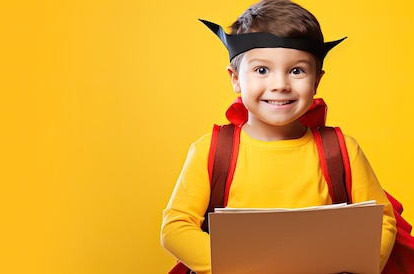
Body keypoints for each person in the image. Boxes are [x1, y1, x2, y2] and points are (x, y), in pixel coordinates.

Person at [160, 0, 397, 273]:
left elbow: (382, 221)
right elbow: (176, 227)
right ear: (236, 78)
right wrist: (239, 267)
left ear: (316, 81)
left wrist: (356, 264)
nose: (280, 85)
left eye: (297, 71)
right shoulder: (210, 150)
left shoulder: (343, 150)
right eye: (262, 70)